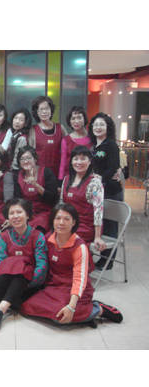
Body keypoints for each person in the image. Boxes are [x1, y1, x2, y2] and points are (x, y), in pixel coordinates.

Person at [20, 203, 123, 325]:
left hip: (74, 289)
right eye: (58, 218)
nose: (61, 223)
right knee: (26, 306)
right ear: (52, 221)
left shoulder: (80, 246)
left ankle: (98, 309)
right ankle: (82, 316)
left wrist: (71, 306)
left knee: (61, 315)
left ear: (73, 222)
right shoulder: (48, 239)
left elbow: (80, 278)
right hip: (54, 286)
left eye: (66, 219)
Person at [0, 198, 48, 331]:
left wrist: (27, 280)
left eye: (19, 212)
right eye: (12, 213)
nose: (15, 216)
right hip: (3, 285)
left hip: (28, 285)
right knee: (10, 263)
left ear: (28, 215)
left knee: (20, 263)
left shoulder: (38, 236)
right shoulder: (4, 236)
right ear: (7, 217)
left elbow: (42, 266)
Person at [88, 112, 123, 270]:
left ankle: (107, 261)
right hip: (97, 191)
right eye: (95, 124)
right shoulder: (93, 145)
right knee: (99, 224)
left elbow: (113, 167)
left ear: (108, 127)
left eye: (102, 124)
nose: (98, 127)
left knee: (110, 227)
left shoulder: (111, 145)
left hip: (110, 191)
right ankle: (100, 256)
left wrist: (100, 178)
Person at [4, 146, 58, 233]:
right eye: (22, 159)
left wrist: (35, 185)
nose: (25, 161)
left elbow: (52, 198)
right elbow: (17, 199)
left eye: (28, 158)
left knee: (35, 229)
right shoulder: (17, 176)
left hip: (44, 213)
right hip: (25, 213)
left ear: (35, 159)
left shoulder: (46, 172)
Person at [60, 145, 105, 249]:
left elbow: (98, 211)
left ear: (89, 162)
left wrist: (97, 237)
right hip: (67, 223)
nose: (79, 162)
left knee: (64, 239)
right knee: (48, 237)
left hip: (85, 226)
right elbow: (61, 204)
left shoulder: (95, 183)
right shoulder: (66, 179)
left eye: (83, 159)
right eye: (76, 159)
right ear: (71, 161)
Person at [28, 96, 68, 178]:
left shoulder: (60, 128)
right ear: (37, 112)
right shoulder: (33, 130)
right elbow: (30, 154)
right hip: (40, 173)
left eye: (46, 109)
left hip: (58, 172)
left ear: (51, 110)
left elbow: (68, 148)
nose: (44, 112)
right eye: (41, 109)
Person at [58, 106, 92, 180]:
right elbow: (63, 163)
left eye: (79, 118)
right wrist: (61, 180)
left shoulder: (93, 138)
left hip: (90, 177)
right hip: (71, 178)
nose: (76, 121)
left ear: (84, 119)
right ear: (70, 122)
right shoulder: (66, 140)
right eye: (73, 118)